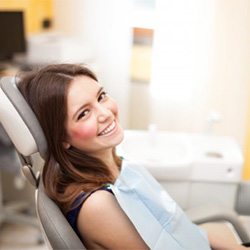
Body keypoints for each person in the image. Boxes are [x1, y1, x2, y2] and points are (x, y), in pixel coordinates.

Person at [17, 64, 248, 249]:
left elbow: (181, 227)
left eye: (101, 96)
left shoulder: (118, 165)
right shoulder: (97, 205)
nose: (106, 113)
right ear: (61, 138)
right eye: (84, 113)